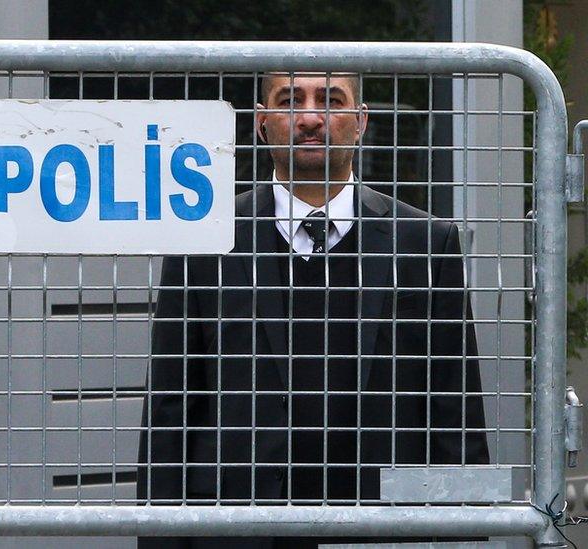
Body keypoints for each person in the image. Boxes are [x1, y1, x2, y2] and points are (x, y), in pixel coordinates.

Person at [136, 73, 489, 549]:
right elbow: (171, 403)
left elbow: (454, 404)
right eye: (289, 101)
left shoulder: (425, 243)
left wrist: (461, 534)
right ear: (262, 123)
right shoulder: (206, 237)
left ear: (360, 121)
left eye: (330, 100)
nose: (308, 117)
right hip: (237, 525)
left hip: (380, 528)